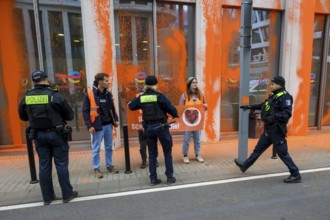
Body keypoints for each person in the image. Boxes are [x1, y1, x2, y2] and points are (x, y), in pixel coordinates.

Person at [18, 70, 78, 205]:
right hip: (57, 134)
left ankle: (47, 197)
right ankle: (67, 195)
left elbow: (22, 116)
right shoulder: (55, 95)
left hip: (38, 135)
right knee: (61, 164)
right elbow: (70, 115)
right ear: (46, 79)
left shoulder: (27, 96)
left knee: (44, 165)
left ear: (33, 81)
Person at [234, 76, 301, 183]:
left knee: (282, 153)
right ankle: (244, 166)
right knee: (258, 149)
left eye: (272, 84)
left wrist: (273, 117)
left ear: (279, 85)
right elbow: (264, 105)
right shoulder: (273, 96)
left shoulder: (285, 97)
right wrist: (250, 107)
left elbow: (287, 114)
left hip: (277, 131)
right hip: (269, 130)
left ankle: (295, 174)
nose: (270, 86)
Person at [128, 75, 179, 186]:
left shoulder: (142, 97)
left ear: (146, 85)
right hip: (161, 127)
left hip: (149, 128)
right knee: (167, 153)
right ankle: (169, 178)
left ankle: (153, 179)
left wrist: (136, 99)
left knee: (151, 154)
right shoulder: (160, 96)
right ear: (156, 84)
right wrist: (175, 114)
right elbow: (171, 108)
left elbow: (131, 106)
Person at [82, 73, 119, 179]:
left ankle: (109, 166)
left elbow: (112, 108)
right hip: (97, 126)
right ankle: (96, 169)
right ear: (100, 82)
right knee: (96, 148)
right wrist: (89, 125)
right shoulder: (90, 94)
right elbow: (85, 111)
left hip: (108, 125)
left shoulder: (108, 93)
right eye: (106, 81)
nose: (108, 82)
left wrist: (115, 120)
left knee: (109, 147)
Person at [179, 77, 208, 164]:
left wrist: (206, 106)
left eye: (196, 82)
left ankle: (197, 154)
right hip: (188, 122)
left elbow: (205, 105)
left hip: (198, 121)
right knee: (186, 139)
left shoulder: (200, 94)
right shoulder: (184, 95)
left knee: (197, 139)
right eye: (193, 82)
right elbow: (180, 108)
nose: (195, 84)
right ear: (189, 84)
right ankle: (185, 155)